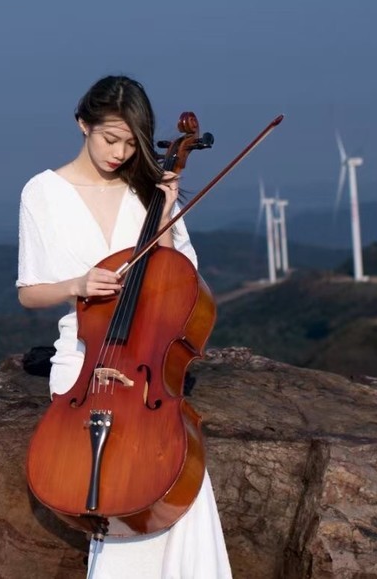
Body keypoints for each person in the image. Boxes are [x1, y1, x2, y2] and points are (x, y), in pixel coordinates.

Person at [16, 74, 232, 578]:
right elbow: (29, 293)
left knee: (175, 472)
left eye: (133, 142)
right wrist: (79, 284)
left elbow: (181, 276)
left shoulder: (147, 190)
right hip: (87, 355)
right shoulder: (43, 192)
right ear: (82, 123)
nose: (120, 152)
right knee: (119, 479)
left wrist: (165, 212)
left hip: (146, 358)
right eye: (110, 138)